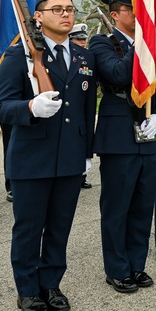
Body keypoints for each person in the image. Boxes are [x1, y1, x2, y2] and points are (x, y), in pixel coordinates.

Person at [0, 0, 97, 311]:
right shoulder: (18, 54)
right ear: (38, 17)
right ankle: (27, 291)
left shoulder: (83, 55)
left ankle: (51, 283)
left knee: (59, 226)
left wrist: (86, 152)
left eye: (69, 9)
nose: (65, 15)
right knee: (29, 227)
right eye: (57, 10)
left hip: (69, 157)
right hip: (31, 158)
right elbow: (1, 104)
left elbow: (86, 110)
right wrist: (30, 109)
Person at [89, 0, 156, 293]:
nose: (140, 15)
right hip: (119, 135)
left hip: (149, 136)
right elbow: (118, 76)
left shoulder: (153, 48)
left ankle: (137, 264)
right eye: (134, 10)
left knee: (142, 205)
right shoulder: (102, 43)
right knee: (117, 206)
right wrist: (142, 42)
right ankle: (117, 268)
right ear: (115, 14)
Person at [69, 24, 94, 190]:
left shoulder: (88, 57)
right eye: (79, 38)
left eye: (84, 39)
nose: (83, 41)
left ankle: (81, 175)